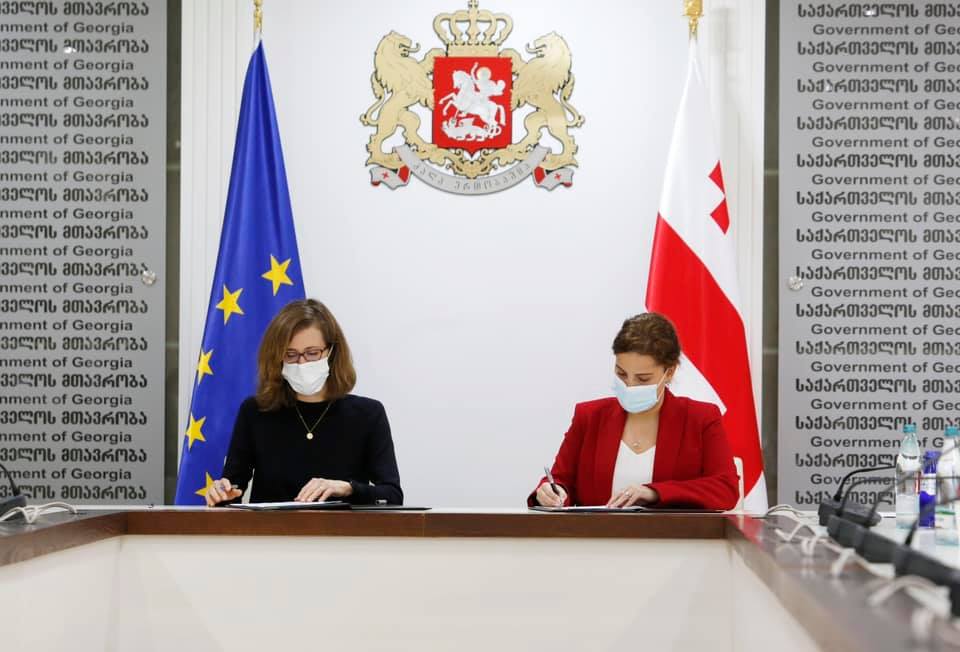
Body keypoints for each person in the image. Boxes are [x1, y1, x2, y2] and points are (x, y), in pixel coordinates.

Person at [529, 313, 738, 510]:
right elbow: (560, 480)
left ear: (670, 372)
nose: (629, 385)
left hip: (673, 537)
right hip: (596, 536)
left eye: (643, 379)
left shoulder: (701, 419)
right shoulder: (589, 416)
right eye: (621, 374)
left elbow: (725, 489)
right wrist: (551, 492)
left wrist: (654, 492)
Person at [206, 299, 403, 506]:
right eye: (290, 355)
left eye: (312, 353)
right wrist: (221, 493)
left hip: (342, 528)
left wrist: (349, 488)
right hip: (271, 527)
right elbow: (233, 490)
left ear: (332, 352)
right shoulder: (255, 411)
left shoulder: (368, 414)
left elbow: (392, 496)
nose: (301, 363)